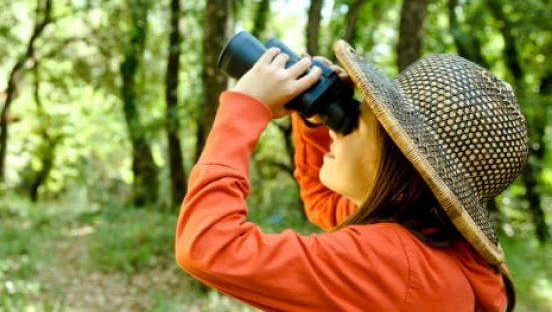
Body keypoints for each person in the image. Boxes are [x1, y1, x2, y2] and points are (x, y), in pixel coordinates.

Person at [175, 39, 529, 312]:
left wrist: (246, 108)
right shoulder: (435, 245)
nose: (339, 128)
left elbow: (210, 247)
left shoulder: (394, 263)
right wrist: (314, 120)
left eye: (364, 118)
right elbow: (323, 204)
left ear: (403, 158)